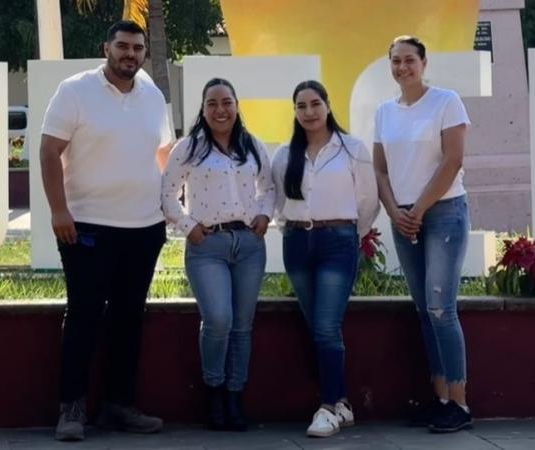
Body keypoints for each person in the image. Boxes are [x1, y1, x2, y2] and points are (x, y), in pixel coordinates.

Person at [40, 20, 172, 441]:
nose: (130, 54)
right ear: (106, 48)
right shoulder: (75, 90)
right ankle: (71, 409)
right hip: (87, 228)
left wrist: (167, 206)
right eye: (122, 46)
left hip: (144, 228)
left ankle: (118, 406)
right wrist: (59, 211)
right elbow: (48, 150)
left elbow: (163, 152)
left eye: (137, 48)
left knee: (129, 319)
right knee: (84, 316)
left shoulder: (153, 96)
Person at [372, 35, 473, 433]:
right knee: (423, 310)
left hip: (443, 213)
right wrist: (395, 211)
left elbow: (453, 160)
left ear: (424, 63)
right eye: (396, 61)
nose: (402, 67)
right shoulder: (384, 112)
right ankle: (440, 398)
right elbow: (380, 169)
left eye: (409, 60)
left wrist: (419, 208)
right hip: (404, 218)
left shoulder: (446, 102)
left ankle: (460, 404)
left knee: (440, 308)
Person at [162, 78, 274, 432]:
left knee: (242, 325)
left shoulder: (252, 145)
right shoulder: (189, 147)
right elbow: (167, 194)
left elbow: (268, 187)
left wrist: (264, 215)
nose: (220, 110)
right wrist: (188, 226)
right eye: (212, 103)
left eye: (227, 102)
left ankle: (234, 396)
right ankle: (213, 390)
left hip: (249, 245)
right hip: (207, 246)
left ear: (237, 105)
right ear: (203, 108)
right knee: (219, 319)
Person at [271, 80, 379, 437]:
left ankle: (328, 407)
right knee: (316, 325)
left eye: (315, 104)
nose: (309, 112)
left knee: (327, 326)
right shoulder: (284, 155)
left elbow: (368, 201)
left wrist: (350, 234)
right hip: (297, 242)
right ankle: (343, 402)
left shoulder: (352, 149)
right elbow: (277, 200)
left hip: (337, 241)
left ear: (328, 106)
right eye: (301, 106)